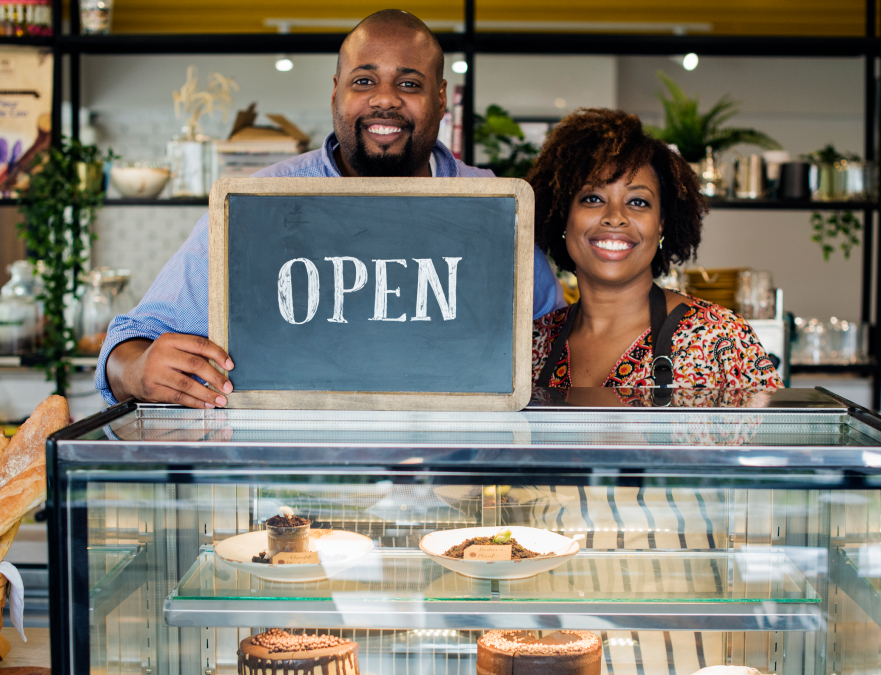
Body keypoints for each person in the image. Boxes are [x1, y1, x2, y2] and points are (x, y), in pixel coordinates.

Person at [98, 9, 564, 409]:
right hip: (292, 496)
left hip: (454, 489)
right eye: (364, 81)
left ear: (440, 98)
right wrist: (138, 369)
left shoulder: (497, 210)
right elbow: (129, 343)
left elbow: (555, 342)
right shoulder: (258, 204)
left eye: (409, 83)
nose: (385, 99)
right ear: (336, 91)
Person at [528, 108, 782, 392]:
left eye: (638, 202)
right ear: (563, 217)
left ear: (661, 225)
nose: (615, 216)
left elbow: (778, 435)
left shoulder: (720, 338)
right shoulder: (534, 344)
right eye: (593, 198)